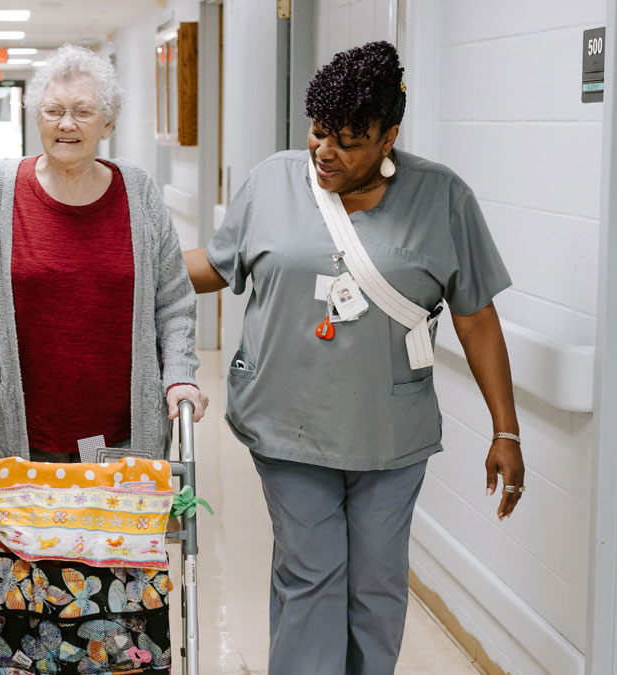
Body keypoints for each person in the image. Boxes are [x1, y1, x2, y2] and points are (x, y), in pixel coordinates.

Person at [183, 41, 524, 674]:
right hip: (286, 422)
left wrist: (505, 428)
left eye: (348, 139)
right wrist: (122, 269)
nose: (325, 152)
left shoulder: (443, 199)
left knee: (377, 586)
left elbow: (476, 316)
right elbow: (216, 265)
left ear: (390, 136)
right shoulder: (272, 181)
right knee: (311, 574)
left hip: (390, 433)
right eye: (317, 133)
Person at [0, 43, 207, 464]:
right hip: (24, 438)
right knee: (26, 534)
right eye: (53, 110)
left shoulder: (138, 191)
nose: (66, 124)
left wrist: (180, 375)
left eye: (83, 111)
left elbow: (174, 301)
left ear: (108, 122)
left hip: (128, 439)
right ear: (36, 116)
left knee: (119, 533)